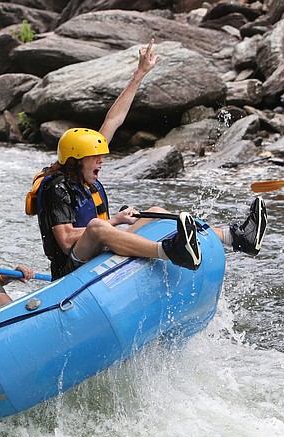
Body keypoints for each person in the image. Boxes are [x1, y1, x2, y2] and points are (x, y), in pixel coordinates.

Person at [27, 41, 267, 280]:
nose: (101, 160)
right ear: (76, 160)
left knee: (154, 212)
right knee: (97, 227)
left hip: (98, 254)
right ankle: (168, 251)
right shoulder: (56, 188)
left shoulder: (84, 177)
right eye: (95, 157)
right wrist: (115, 220)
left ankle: (235, 237)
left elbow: (114, 119)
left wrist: (140, 73)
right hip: (71, 270)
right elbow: (67, 240)